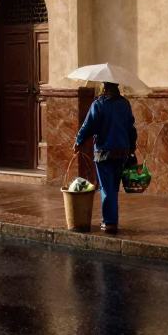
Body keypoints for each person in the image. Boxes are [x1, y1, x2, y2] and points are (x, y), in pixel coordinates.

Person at [73, 82, 137, 233]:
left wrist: (78, 141)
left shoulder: (99, 104)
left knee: (106, 187)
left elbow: (88, 126)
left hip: (104, 152)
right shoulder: (125, 104)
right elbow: (131, 128)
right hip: (122, 152)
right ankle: (111, 219)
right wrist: (132, 147)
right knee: (113, 187)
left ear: (105, 88)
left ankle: (109, 222)